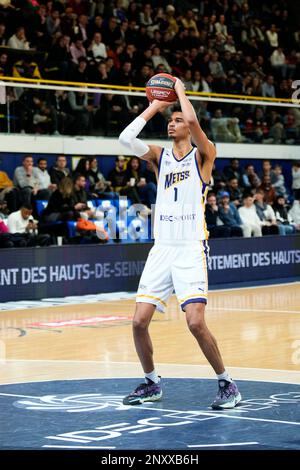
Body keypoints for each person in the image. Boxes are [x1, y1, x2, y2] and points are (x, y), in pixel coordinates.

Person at [118, 78, 241, 409]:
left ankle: (227, 384)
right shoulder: (159, 157)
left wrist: (181, 93)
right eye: (169, 121)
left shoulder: (204, 155)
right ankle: (151, 383)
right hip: (162, 248)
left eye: (176, 120)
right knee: (138, 321)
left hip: (190, 247)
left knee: (195, 322)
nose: (172, 124)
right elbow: (125, 138)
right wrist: (155, 106)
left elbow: (193, 121)